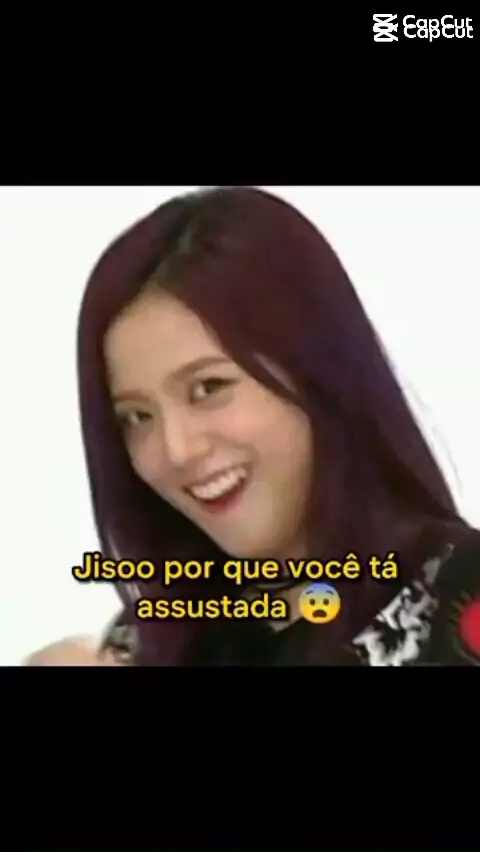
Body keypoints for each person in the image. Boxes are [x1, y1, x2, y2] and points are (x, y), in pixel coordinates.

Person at [26, 186, 480, 667]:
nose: (176, 450)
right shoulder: (150, 640)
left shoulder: (460, 601)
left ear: (318, 372)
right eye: (137, 417)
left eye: (208, 387)